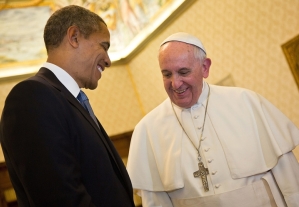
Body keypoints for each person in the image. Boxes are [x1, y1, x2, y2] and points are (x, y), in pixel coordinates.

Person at [127, 32, 299, 207]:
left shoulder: (246, 102)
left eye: (183, 72)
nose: (176, 83)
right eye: (167, 74)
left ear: (205, 67)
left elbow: (290, 179)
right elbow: (156, 202)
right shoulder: (147, 130)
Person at [0, 5, 135, 207]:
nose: (108, 61)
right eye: (104, 46)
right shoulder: (31, 97)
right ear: (74, 37)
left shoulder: (70, 101)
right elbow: (61, 199)